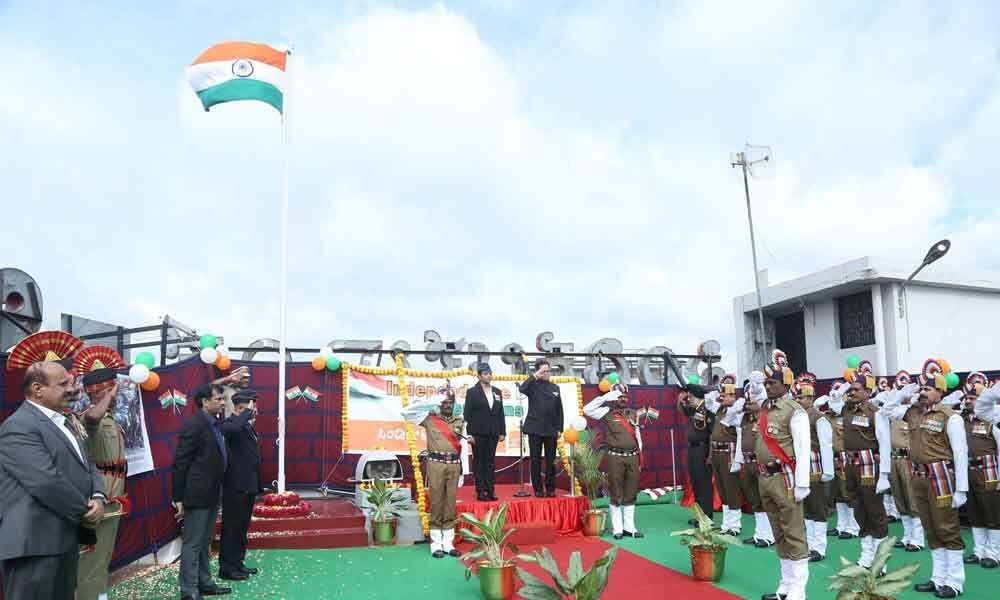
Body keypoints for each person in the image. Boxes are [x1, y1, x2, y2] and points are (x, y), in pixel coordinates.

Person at [0, 361, 107, 600]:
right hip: (34, 544)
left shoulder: (65, 422)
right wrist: (86, 512)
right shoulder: (18, 426)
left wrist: (99, 498)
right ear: (38, 389)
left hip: (63, 538)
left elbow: (87, 463)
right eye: (64, 384)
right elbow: (45, 481)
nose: (73, 388)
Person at [881, 359, 968, 598]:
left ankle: (954, 581)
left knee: (947, 528)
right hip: (917, 475)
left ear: (941, 391)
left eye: (927, 389)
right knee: (930, 528)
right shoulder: (913, 413)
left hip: (940, 476)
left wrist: (961, 489)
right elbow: (886, 409)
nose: (922, 393)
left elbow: (960, 453)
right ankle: (938, 577)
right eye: (921, 389)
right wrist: (904, 391)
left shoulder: (951, 417)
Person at [754, 349, 811, 600]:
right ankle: (785, 585)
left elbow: (802, 447)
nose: (767, 386)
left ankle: (798, 591)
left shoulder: (794, 410)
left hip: (785, 479)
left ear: (785, 384)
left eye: (772, 382)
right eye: (766, 383)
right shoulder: (765, 408)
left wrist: (802, 483)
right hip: (765, 478)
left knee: (793, 532)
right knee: (778, 532)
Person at [75, 348, 129, 600]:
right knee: (91, 561)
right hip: (99, 500)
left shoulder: (110, 418)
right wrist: (109, 394)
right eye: (112, 391)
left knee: (103, 556)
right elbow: (94, 415)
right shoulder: (89, 417)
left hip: (113, 500)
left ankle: (99, 595)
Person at [828, 361, 891, 571]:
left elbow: (884, 443)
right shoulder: (846, 408)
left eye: (857, 389)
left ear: (869, 391)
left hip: (869, 465)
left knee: (875, 511)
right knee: (859, 510)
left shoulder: (876, 412)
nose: (852, 392)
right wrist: (848, 384)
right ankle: (866, 557)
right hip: (851, 465)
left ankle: (880, 563)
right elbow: (833, 398)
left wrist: (884, 475)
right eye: (851, 389)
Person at [173, 384, 231, 599]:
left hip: (213, 492)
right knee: (193, 543)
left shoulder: (215, 424)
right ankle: (188, 590)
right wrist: (177, 497)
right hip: (197, 494)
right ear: (205, 402)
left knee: (205, 541)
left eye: (224, 398)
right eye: (219, 398)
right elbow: (181, 462)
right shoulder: (194, 425)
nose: (224, 402)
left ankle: (204, 582)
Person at [401, 385, 464, 557]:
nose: (447, 405)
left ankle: (448, 542)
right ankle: (436, 543)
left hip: (453, 465)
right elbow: (406, 412)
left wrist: (463, 471)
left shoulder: (460, 421)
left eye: (450, 402)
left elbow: (461, 448)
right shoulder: (429, 419)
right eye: (444, 402)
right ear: (439, 404)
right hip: (436, 464)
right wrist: (433, 400)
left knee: (450, 503)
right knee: (436, 501)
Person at [583, 383, 644, 539]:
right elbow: (587, 410)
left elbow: (638, 437)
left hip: (632, 457)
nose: (622, 399)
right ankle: (618, 529)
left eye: (624, 396)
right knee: (616, 492)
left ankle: (629, 528)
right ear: (614, 397)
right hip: (615, 457)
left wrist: (640, 457)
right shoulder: (607, 412)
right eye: (619, 396)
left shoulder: (633, 413)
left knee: (631, 492)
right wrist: (605, 397)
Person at [879, 371, 926, 553]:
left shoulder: (915, 413)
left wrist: (912, 397)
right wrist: (900, 394)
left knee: (912, 498)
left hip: (908, 458)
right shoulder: (897, 412)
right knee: (900, 499)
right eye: (899, 388)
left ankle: (918, 539)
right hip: (894, 458)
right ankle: (907, 536)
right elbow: (885, 408)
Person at [219, 389, 261, 580]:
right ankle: (227, 568)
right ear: (239, 408)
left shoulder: (247, 427)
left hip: (247, 486)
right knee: (232, 528)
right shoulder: (230, 423)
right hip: (235, 487)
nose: (255, 411)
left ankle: (237, 563)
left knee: (242, 528)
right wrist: (245, 414)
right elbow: (231, 430)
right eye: (251, 407)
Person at [960, 373, 1000, 569]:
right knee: (974, 511)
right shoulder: (962, 421)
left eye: (973, 398)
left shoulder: (992, 422)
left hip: (989, 470)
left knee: (991, 512)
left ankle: (994, 553)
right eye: (967, 397)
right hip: (969, 470)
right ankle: (979, 551)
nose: (969, 401)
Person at [794, 375, 834, 562]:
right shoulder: (797, 415)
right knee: (806, 508)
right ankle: (809, 545)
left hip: (815, 466)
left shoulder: (818, 417)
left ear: (810, 398)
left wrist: (828, 471)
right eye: (797, 397)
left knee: (817, 508)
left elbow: (826, 444)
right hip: (801, 465)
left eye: (801, 397)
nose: (798, 401)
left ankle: (819, 548)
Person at [732, 382, 776, 548]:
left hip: (761, 464)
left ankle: (769, 536)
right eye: (747, 402)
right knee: (755, 501)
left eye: (750, 402)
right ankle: (760, 534)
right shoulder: (744, 419)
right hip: (747, 462)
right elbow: (739, 440)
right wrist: (738, 461)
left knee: (766, 500)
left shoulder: (767, 417)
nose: (747, 405)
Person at [706, 375, 745, 536]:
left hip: (729, 452)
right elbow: (708, 402)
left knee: (731, 489)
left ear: (733, 396)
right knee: (722, 488)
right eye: (722, 395)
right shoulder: (720, 409)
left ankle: (735, 525)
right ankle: (726, 524)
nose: (723, 398)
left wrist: (738, 459)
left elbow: (741, 437)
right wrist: (715, 393)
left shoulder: (737, 412)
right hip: (717, 453)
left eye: (726, 395)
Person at [519, 359, 564, 498]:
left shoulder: (555, 388)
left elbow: (559, 410)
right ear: (538, 371)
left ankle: (550, 488)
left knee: (551, 461)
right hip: (535, 429)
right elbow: (522, 388)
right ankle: (538, 489)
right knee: (535, 460)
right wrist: (535, 376)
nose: (547, 373)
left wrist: (559, 428)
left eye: (548, 370)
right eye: (543, 371)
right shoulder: (532, 385)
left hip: (551, 429)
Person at [464, 363, 506, 501]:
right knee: (479, 462)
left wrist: (502, 431)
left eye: (490, 373)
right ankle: (480, 490)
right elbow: (467, 414)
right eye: (486, 374)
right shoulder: (472, 392)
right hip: (478, 432)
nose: (489, 376)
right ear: (479, 376)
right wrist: (469, 435)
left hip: (493, 432)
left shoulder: (497, 391)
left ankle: (490, 490)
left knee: (490, 462)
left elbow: (500, 413)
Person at [679, 387, 716, 523]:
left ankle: (707, 517)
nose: (689, 399)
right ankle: (700, 516)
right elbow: (682, 409)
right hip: (692, 450)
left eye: (691, 397)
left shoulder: (708, 410)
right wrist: (682, 399)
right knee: (696, 483)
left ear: (699, 397)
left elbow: (712, 434)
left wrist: (711, 456)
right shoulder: (694, 410)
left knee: (704, 484)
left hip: (703, 449)